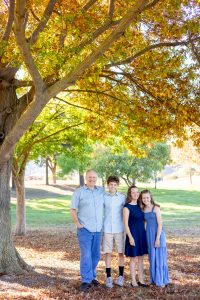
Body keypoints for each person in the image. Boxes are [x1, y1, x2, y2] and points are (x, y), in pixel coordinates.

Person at [70, 170, 104, 292]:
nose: (92, 179)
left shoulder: (101, 191)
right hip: (85, 229)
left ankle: (92, 276)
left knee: (96, 255)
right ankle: (85, 280)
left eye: (94, 177)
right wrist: (77, 224)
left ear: (97, 178)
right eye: (90, 177)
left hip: (98, 229)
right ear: (86, 178)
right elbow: (73, 209)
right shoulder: (79, 192)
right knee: (86, 255)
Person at [138, 190, 169, 287]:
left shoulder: (156, 208)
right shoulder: (143, 209)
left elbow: (160, 223)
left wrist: (157, 239)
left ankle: (161, 280)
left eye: (147, 197)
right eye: (143, 198)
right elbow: (143, 223)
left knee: (159, 257)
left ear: (150, 197)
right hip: (149, 235)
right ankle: (154, 279)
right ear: (141, 199)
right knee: (152, 258)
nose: (146, 199)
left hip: (158, 234)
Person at [102, 175, 126, 288]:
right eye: (111, 184)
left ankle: (121, 276)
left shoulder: (122, 197)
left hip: (119, 229)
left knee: (121, 252)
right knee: (108, 252)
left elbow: (127, 211)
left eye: (115, 185)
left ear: (117, 186)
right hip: (107, 228)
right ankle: (109, 277)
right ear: (108, 185)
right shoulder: (103, 196)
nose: (112, 186)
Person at [123, 185, 148, 287]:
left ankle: (141, 279)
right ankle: (133, 280)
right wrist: (130, 237)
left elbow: (144, 220)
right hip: (132, 235)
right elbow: (125, 224)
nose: (136, 194)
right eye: (133, 192)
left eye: (137, 192)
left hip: (141, 234)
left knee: (141, 258)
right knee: (133, 258)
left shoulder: (140, 205)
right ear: (130, 194)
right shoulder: (126, 207)